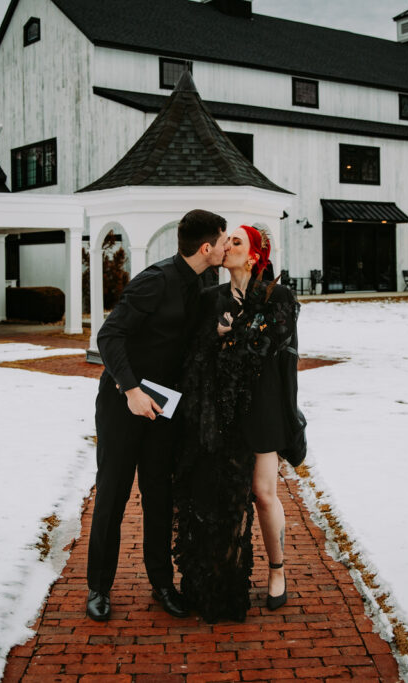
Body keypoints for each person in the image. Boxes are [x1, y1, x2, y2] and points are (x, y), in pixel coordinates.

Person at [86, 209, 229, 622]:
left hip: (164, 407)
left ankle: (162, 584)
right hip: (122, 402)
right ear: (207, 247)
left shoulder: (203, 281)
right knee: (112, 494)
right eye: (223, 240)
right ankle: (99, 588)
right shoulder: (155, 280)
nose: (225, 246)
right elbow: (109, 335)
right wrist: (130, 390)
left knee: (159, 496)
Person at [174, 224, 306, 623]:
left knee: (263, 492)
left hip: (263, 406)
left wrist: (234, 335)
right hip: (221, 410)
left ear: (254, 255)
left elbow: (267, 341)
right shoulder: (211, 298)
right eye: (226, 239)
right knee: (223, 495)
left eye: (236, 241)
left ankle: (278, 568)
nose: (226, 245)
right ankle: (224, 572)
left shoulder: (278, 297)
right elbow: (195, 349)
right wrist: (217, 335)